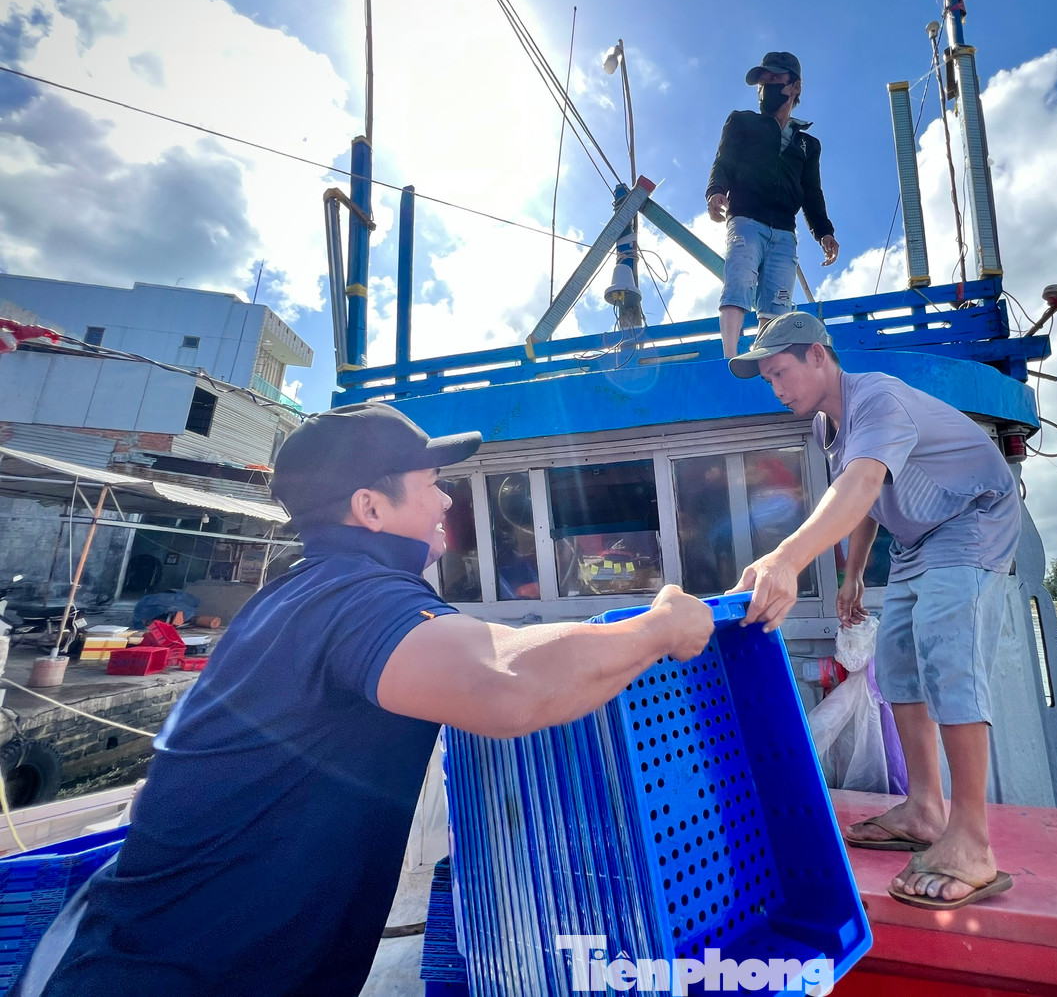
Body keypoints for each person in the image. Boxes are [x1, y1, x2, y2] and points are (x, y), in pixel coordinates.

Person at [24, 402, 714, 996]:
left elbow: (493, 643)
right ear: (370, 507)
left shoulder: (304, 589)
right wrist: (662, 626)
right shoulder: (353, 596)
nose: (447, 500)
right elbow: (506, 684)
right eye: (432, 483)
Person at [727, 313, 1020, 911]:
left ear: (817, 355)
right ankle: (923, 809)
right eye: (767, 380)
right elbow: (866, 501)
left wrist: (786, 558)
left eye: (781, 372)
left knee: (948, 655)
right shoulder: (826, 427)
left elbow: (861, 483)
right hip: (916, 539)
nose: (777, 387)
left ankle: (972, 841)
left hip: (973, 517)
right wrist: (853, 572)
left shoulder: (878, 396)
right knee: (897, 665)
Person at [706, 51, 839, 360]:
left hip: (784, 231)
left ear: (795, 88)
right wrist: (716, 191)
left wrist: (824, 232)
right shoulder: (741, 121)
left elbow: (812, 192)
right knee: (738, 279)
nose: (766, 88)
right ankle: (729, 357)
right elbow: (722, 161)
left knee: (777, 301)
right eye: (762, 82)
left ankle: (763, 361)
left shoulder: (808, 144)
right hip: (746, 219)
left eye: (774, 80)